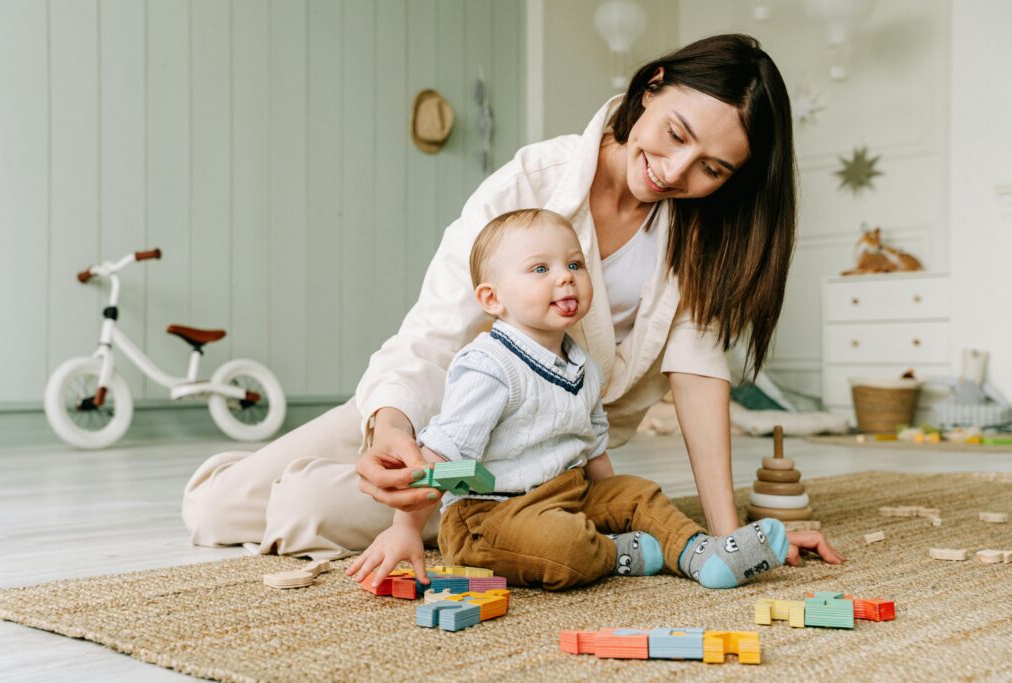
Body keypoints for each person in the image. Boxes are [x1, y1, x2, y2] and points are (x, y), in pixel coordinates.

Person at [182, 34, 843, 568]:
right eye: (675, 133)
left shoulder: (700, 237)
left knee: (304, 506)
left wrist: (728, 535)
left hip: (539, 458)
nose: (676, 170)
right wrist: (389, 428)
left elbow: (699, 376)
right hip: (443, 404)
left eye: (712, 168)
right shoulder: (534, 182)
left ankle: (493, 519)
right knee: (211, 509)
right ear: (653, 86)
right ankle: (427, 498)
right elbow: (433, 335)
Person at [345, 208, 791, 591]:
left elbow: (592, 445)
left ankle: (703, 555)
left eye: (575, 265)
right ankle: (615, 553)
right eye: (541, 269)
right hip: (490, 517)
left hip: (567, 493)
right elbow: (441, 457)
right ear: (492, 298)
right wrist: (404, 528)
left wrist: (616, 506)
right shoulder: (489, 366)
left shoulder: (582, 364)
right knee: (565, 544)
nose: (565, 278)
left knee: (641, 493)